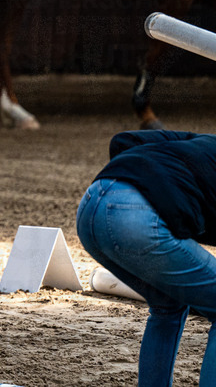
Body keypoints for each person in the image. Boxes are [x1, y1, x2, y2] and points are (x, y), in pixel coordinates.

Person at [76, 129, 216, 386]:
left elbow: (124, 141)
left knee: (169, 304)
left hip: (90, 207)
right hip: (136, 222)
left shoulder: (198, 142)